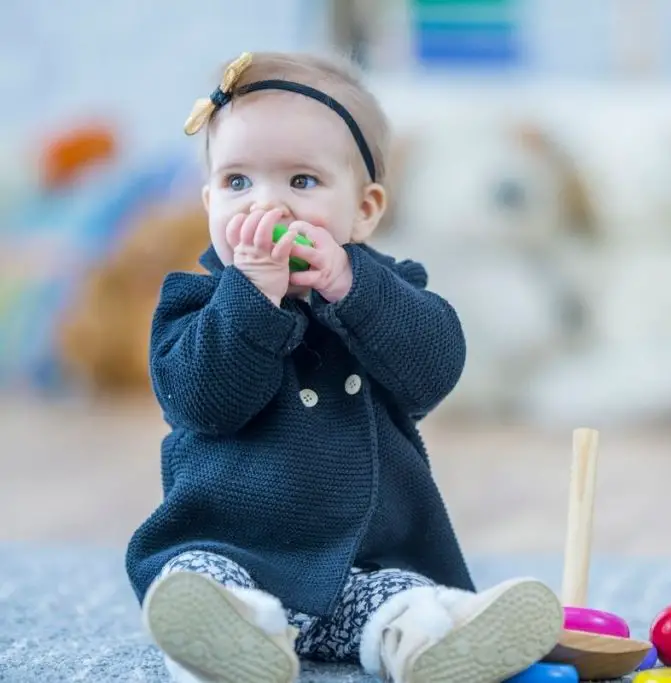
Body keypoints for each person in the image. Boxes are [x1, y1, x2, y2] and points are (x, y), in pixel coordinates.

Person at [123, 50, 564, 683]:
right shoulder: (194, 306)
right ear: (208, 201)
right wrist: (251, 296)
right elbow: (203, 402)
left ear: (365, 209)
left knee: (400, 601)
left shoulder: (384, 293)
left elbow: (434, 370)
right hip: (228, 550)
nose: (266, 208)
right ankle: (234, 648)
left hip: (356, 566)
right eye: (237, 182)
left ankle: (435, 644)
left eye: (301, 182)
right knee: (194, 588)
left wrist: (351, 289)